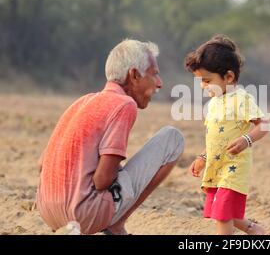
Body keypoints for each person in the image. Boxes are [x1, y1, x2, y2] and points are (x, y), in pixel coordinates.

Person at [36, 39, 185, 235]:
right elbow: (102, 181)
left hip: (48, 212)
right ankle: (116, 224)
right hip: (83, 216)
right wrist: (116, 169)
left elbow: (41, 165)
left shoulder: (82, 101)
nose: (159, 83)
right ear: (134, 75)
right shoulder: (124, 104)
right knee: (173, 138)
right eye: (154, 74)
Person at [185, 35, 269, 235]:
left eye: (207, 80)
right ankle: (255, 230)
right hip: (216, 166)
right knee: (221, 209)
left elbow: (264, 124)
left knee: (222, 214)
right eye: (200, 81)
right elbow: (215, 137)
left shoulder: (241, 99)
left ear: (229, 77)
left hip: (234, 168)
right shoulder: (214, 103)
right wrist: (203, 156)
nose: (203, 86)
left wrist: (246, 140)